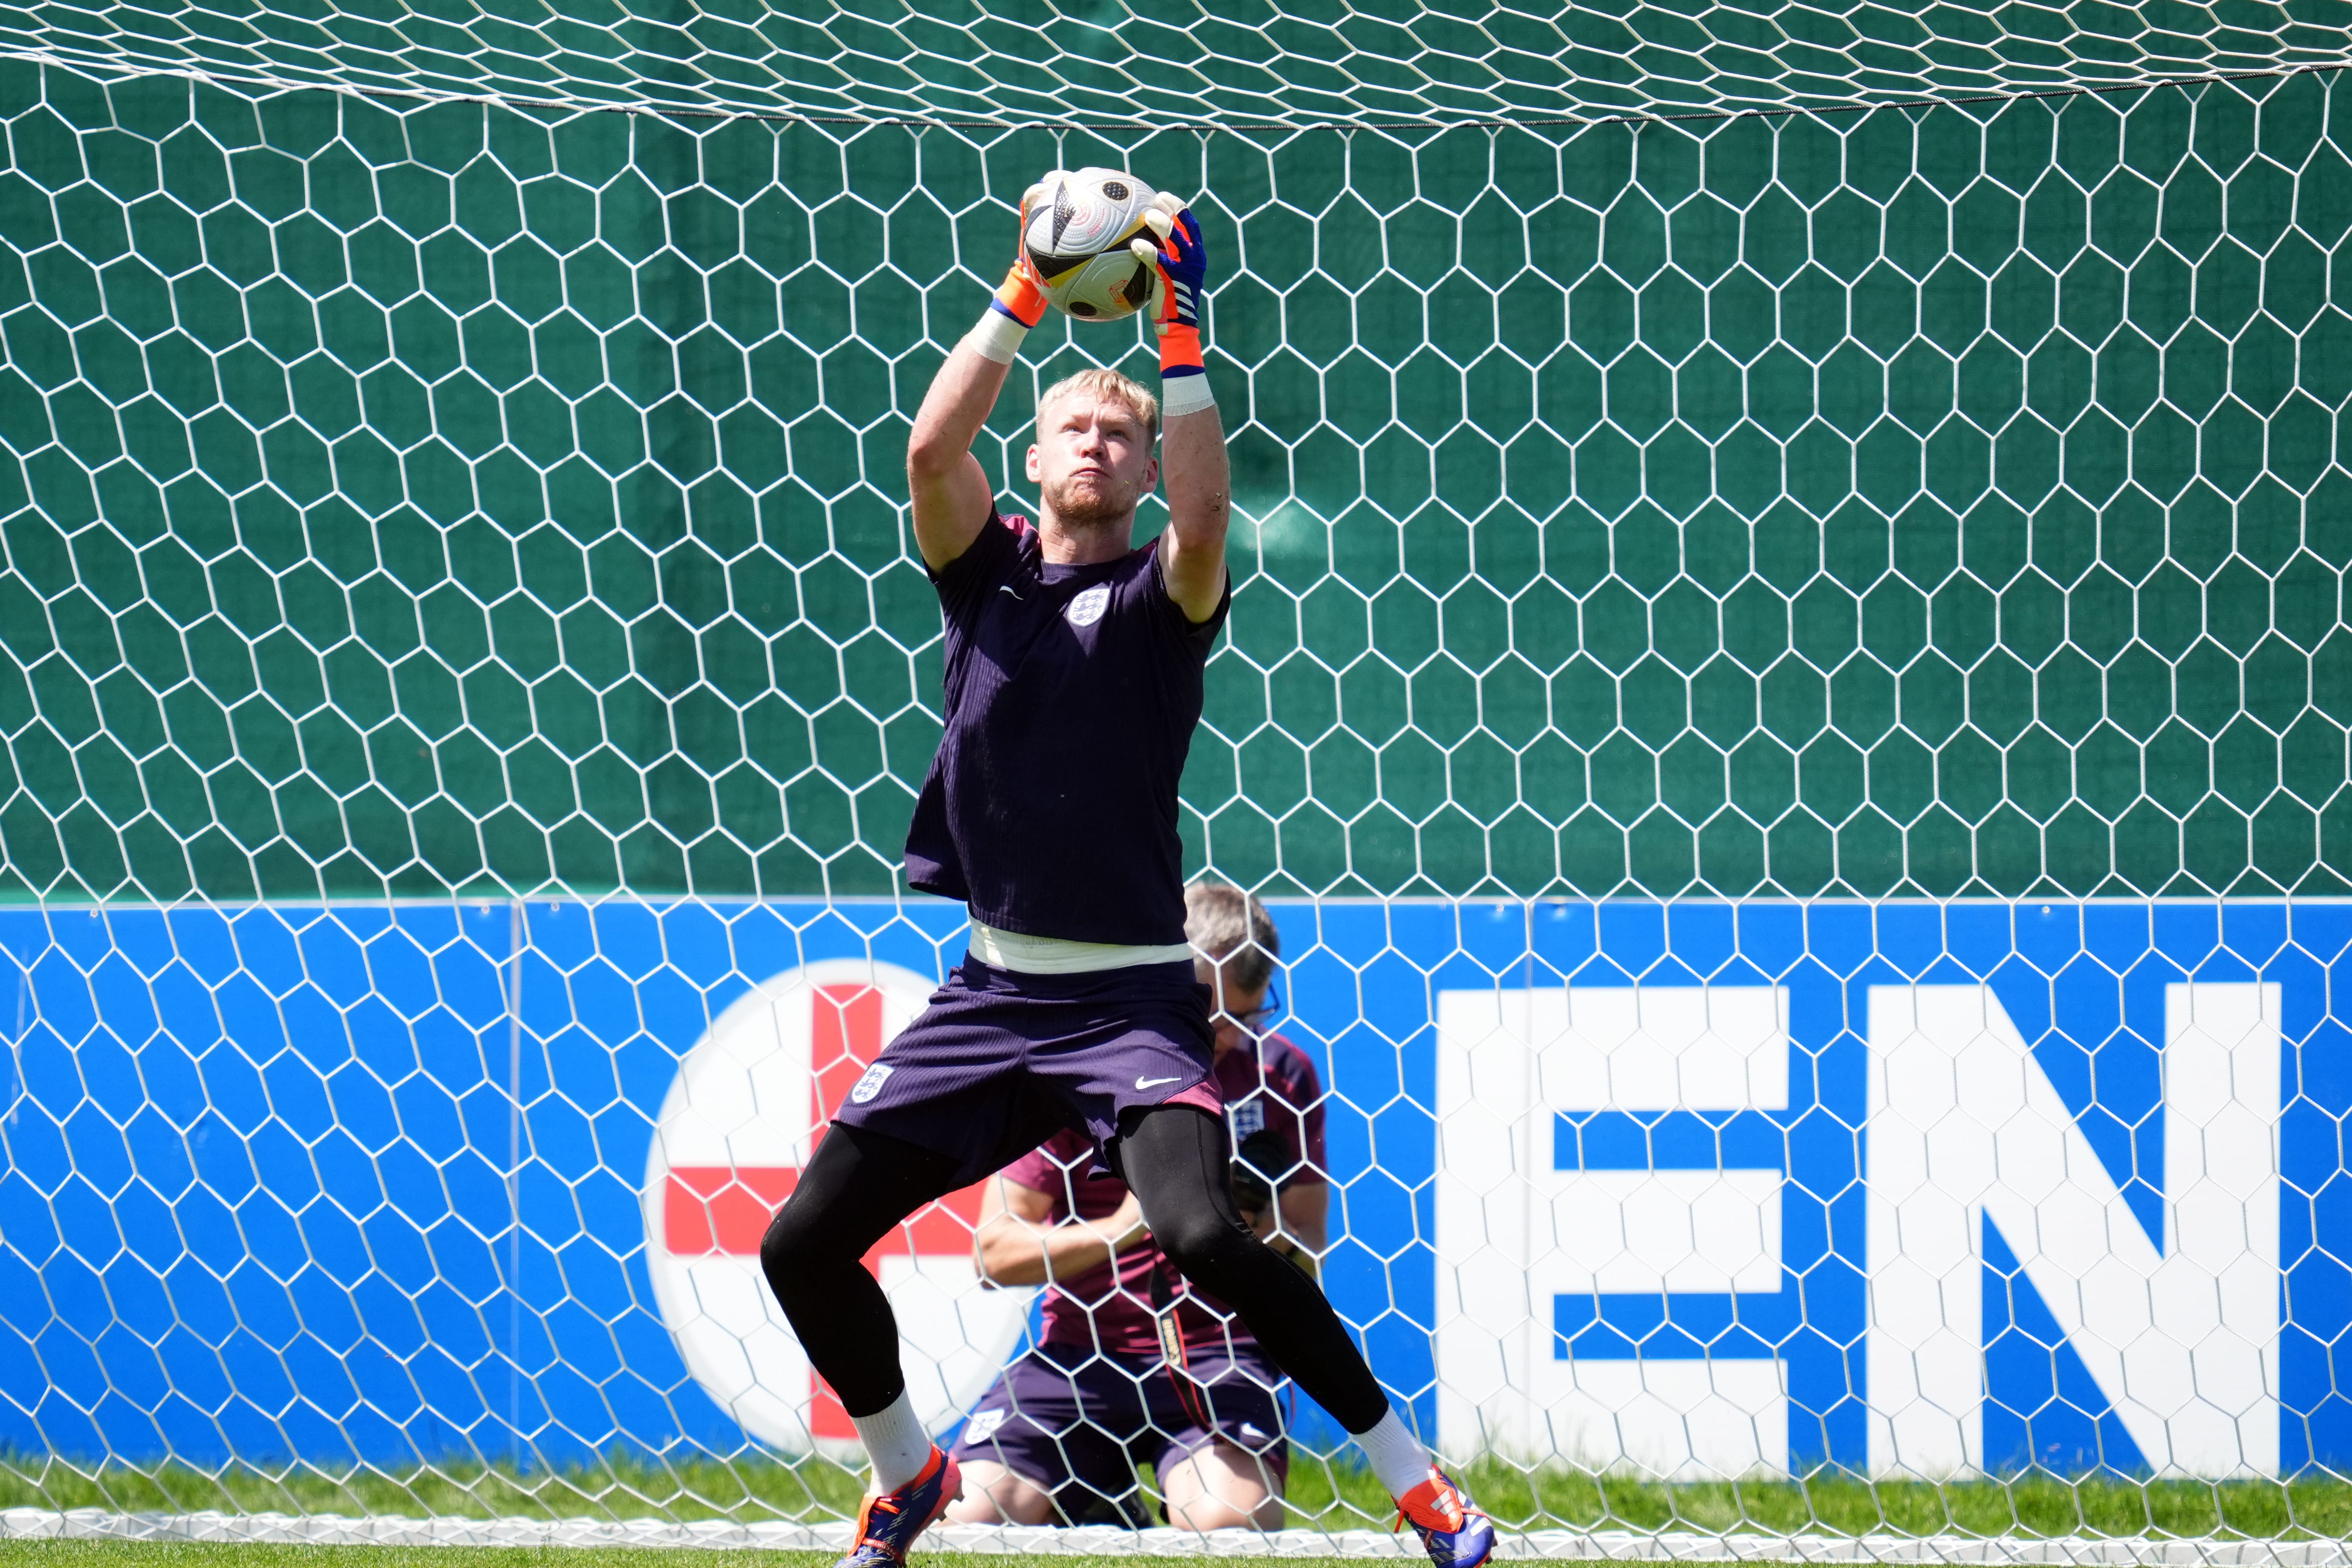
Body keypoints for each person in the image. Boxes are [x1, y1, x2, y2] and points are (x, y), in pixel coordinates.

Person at [756, 175, 1495, 1568]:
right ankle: (904, 1474)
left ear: (1145, 471)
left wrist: (1180, 331)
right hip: (989, 999)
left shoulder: (1165, 595)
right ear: (1032, 461)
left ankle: (1417, 1485)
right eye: (1070, 429)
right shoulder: (982, 572)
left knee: (1206, 1231)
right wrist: (1022, 289)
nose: (1093, 443)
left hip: (1130, 1005)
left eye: (1119, 435)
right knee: (798, 1246)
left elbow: (1211, 519)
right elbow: (926, 449)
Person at [945, 884, 1323, 1532]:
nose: (1233, 1037)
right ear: (1171, 976)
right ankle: (1098, 1497)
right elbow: (993, 1253)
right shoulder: (1077, 1068)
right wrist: (1127, 1227)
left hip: (1219, 1354)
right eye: (1218, 1017)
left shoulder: (1282, 1075)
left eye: (1251, 1018)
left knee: (1228, 1528)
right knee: (967, 1521)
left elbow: (1309, 1256)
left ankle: (1104, 1498)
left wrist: (1251, 1231)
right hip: (1080, 1355)